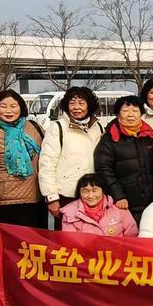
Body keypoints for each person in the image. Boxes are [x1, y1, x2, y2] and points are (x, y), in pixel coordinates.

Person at [0, 90, 45, 228]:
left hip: (37, 199)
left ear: (21, 107)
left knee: (37, 247)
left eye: (13, 106)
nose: (9, 110)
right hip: (8, 204)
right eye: (3, 106)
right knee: (13, 248)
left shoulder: (34, 128)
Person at [37, 87, 105, 226]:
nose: (76, 107)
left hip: (93, 195)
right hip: (67, 195)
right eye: (72, 103)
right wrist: (52, 198)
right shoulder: (57, 128)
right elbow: (47, 164)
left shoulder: (98, 127)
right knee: (67, 242)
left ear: (89, 105)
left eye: (81, 103)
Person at [94, 96, 153, 224]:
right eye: (125, 111)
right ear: (118, 114)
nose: (131, 115)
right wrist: (118, 196)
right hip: (126, 202)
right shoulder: (109, 139)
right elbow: (104, 170)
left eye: (135, 111)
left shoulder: (150, 135)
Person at [59, 174, 139, 237]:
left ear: (103, 190)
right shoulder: (69, 214)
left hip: (117, 255)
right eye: (85, 191)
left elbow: (132, 237)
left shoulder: (118, 208)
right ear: (79, 193)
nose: (90, 196)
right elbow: (70, 243)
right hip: (86, 256)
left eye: (95, 190)